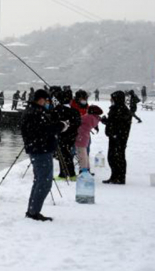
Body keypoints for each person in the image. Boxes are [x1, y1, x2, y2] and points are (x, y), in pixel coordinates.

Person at [20, 89, 68, 221]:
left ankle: (32, 210)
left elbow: (42, 128)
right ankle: (33, 212)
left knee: (39, 181)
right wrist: (60, 126)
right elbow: (44, 130)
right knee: (44, 183)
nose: (48, 103)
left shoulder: (33, 111)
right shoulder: (35, 113)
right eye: (47, 101)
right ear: (41, 99)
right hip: (41, 151)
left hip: (37, 150)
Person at [101, 91, 133, 184]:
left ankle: (120, 177)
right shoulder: (116, 108)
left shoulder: (122, 110)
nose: (110, 100)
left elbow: (118, 124)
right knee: (112, 157)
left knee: (118, 157)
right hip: (114, 136)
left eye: (112, 98)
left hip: (119, 138)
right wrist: (106, 121)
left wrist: (108, 123)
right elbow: (113, 122)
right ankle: (114, 176)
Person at [54, 89, 81, 180]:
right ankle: (72, 174)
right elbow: (78, 123)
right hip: (72, 137)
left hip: (61, 136)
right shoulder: (75, 111)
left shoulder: (57, 110)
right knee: (68, 155)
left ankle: (63, 175)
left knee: (62, 155)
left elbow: (53, 122)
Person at [76, 105, 102, 173]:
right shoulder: (95, 118)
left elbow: (78, 120)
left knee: (81, 154)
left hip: (81, 137)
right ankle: (87, 168)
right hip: (85, 136)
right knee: (85, 154)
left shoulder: (88, 117)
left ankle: (84, 170)